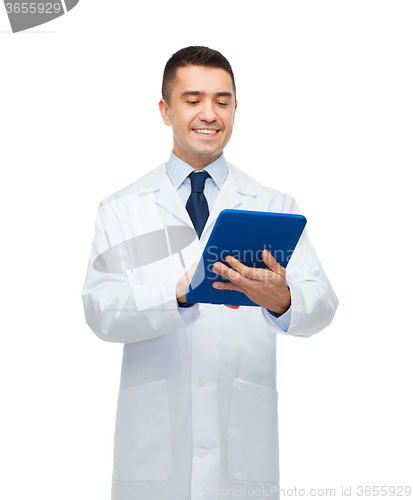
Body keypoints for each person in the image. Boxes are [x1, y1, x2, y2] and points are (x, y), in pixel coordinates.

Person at [81, 46, 338, 500]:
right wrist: (176, 293)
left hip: (241, 449)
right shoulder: (123, 208)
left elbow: (322, 304)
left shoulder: (273, 204)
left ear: (236, 109)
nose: (209, 113)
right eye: (193, 98)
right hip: (155, 453)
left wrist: (284, 299)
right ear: (166, 110)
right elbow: (101, 309)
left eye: (222, 101)